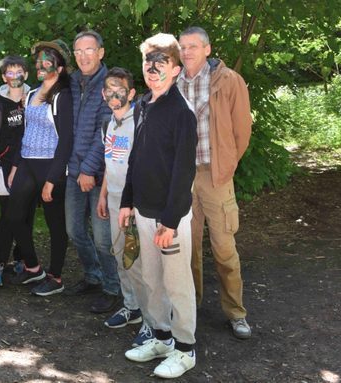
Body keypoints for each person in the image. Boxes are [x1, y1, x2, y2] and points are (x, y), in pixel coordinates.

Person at [118, 33, 198, 379]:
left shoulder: (182, 114)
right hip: (143, 211)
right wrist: (126, 201)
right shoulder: (143, 106)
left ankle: (185, 349)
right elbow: (136, 157)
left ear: (176, 69)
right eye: (148, 62)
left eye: (160, 63)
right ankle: (162, 338)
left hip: (171, 216)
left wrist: (170, 220)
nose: (152, 69)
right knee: (151, 281)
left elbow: (184, 172)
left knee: (177, 283)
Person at [177, 26, 253, 339]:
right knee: (187, 248)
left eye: (193, 46)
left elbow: (242, 130)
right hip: (182, 177)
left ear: (207, 49)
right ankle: (189, 306)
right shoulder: (173, 81)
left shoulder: (228, 80)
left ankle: (236, 312)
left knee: (224, 248)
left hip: (216, 175)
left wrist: (228, 164)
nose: (186, 52)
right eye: (182, 47)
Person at [7, 39, 73, 296]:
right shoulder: (32, 93)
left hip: (50, 167)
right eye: (39, 60)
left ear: (61, 67)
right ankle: (34, 268)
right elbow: (26, 131)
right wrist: (16, 165)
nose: (42, 64)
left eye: (49, 60)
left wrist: (53, 179)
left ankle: (56, 277)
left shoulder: (63, 96)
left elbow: (66, 140)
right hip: (27, 163)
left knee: (55, 224)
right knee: (13, 215)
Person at [64, 30, 121, 314]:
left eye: (89, 50)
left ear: (100, 52)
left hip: (100, 175)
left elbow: (107, 134)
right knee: (74, 230)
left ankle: (113, 287)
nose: (83, 56)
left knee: (103, 237)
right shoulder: (72, 83)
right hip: (72, 171)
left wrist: (89, 169)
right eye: (78, 51)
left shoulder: (111, 85)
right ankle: (92, 275)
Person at [94, 67, 144, 329]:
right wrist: (103, 195)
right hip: (112, 199)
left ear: (131, 93)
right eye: (110, 90)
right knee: (119, 255)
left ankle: (151, 315)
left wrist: (134, 202)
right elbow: (108, 160)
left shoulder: (141, 121)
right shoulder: (108, 122)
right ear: (103, 94)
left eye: (120, 90)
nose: (115, 95)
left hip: (134, 203)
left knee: (138, 259)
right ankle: (131, 306)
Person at [0, 55, 31, 287]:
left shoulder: (36, 99)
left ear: (26, 74)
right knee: (8, 216)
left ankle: (23, 259)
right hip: (4, 165)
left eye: (19, 72)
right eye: (10, 73)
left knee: (26, 215)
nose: (15, 77)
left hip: (30, 165)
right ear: (4, 77)